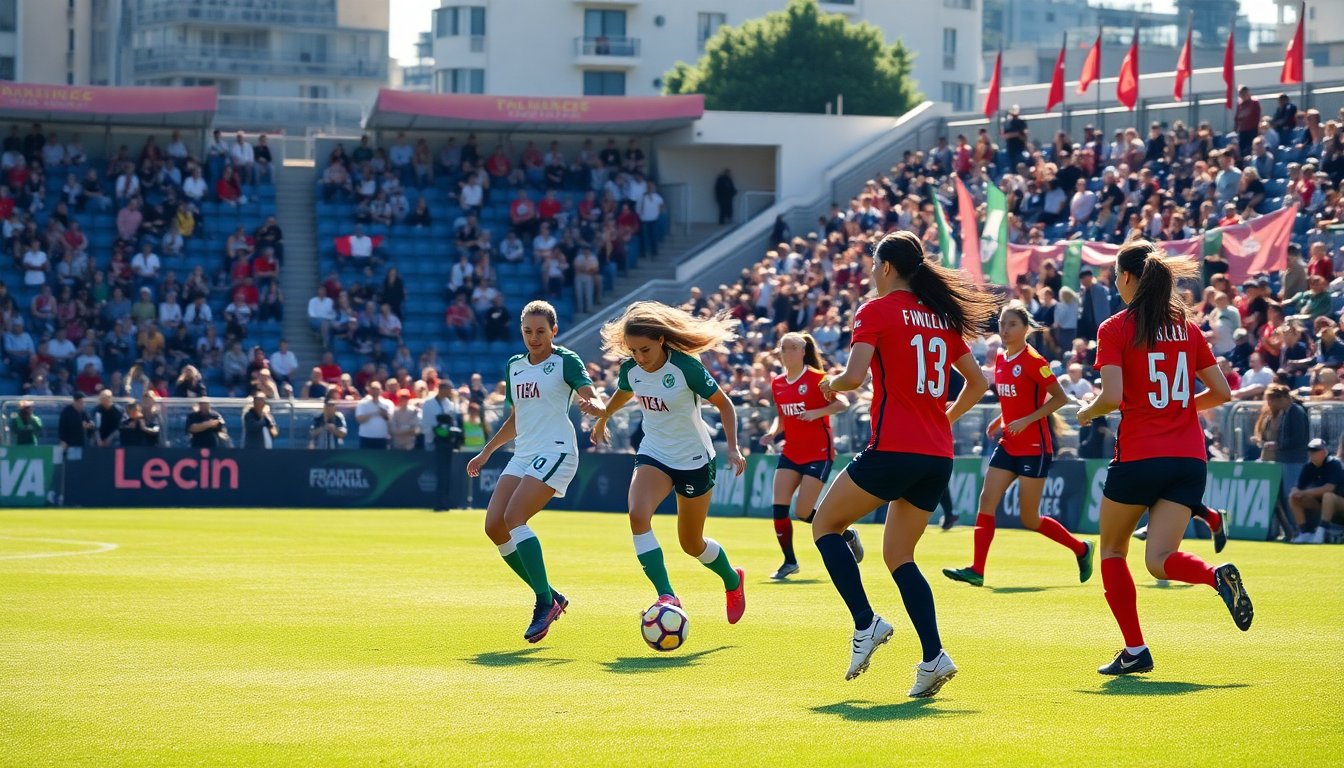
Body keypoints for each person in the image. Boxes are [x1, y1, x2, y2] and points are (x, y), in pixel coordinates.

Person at [809, 230, 993, 696]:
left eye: (874, 266)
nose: (871, 275)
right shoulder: (940, 317)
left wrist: (829, 384)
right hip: (936, 455)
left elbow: (853, 377)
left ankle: (866, 623)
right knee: (900, 557)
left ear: (887, 268)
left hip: (894, 447)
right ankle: (933, 657)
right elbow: (978, 384)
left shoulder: (875, 311)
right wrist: (942, 419)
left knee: (825, 526)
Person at [1074, 241, 1250, 677]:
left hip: (1139, 455)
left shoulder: (1115, 328)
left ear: (1130, 278)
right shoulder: (1187, 328)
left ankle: (1135, 649)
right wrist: (1179, 409)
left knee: (1113, 550)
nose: (1115, 283)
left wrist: (1086, 411)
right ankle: (1214, 575)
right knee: (1160, 558)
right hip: (1189, 457)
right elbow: (1223, 393)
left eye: (1116, 276)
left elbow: (1112, 397)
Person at [591, 301, 748, 627]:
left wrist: (733, 448)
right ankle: (667, 595)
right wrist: (603, 417)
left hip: (694, 460)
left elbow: (725, 405)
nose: (639, 357)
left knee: (692, 544)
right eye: (633, 350)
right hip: (654, 453)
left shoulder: (685, 368)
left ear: (662, 340)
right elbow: (624, 392)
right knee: (637, 514)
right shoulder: (632, 369)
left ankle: (732, 580)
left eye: (645, 349)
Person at [466, 301, 606, 643]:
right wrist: (486, 451)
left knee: (515, 518)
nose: (534, 337)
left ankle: (544, 603)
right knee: (494, 527)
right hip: (524, 453)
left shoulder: (565, 361)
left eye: (541, 331)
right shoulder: (514, 366)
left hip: (557, 450)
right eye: (527, 331)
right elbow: (516, 420)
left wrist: (597, 409)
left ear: (553, 331)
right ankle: (551, 596)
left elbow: (595, 400)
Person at [944, 302, 1094, 588]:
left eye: (1011, 324)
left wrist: (1027, 420)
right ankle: (977, 569)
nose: (1005, 329)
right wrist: (999, 420)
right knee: (987, 500)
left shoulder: (1035, 361)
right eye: (1002, 324)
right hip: (1009, 444)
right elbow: (1013, 399)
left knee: (1030, 518)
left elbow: (1060, 399)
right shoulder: (1001, 358)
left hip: (1034, 448)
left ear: (1025, 328)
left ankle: (1081, 549)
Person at [760, 332, 861, 580]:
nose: (785, 353)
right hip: (791, 451)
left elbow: (843, 404)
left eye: (790, 348)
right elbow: (782, 416)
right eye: (782, 348)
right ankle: (789, 561)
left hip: (819, 452)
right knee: (779, 507)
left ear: (802, 351)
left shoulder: (818, 379)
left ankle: (846, 533)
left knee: (804, 512)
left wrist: (818, 412)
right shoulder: (778, 383)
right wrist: (772, 433)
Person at [1289, 438, 1343, 544]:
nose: (1312, 454)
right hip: (1324, 505)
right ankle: (1304, 533)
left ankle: (1321, 532)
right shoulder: (1309, 466)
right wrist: (1295, 491)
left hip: (1340, 503)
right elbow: (1298, 486)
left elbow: (1330, 488)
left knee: (1328, 496)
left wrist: (1304, 492)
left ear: (1324, 452)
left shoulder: (1334, 464)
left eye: (1315, 451)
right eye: (1310, 451)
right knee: (1294, 498)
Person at [422, 379, 463, 510]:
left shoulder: (449, 404)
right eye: (448, 389)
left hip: (448, 443)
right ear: (442, 389)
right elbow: (427, 424)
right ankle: (438, 501)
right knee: (439, 473)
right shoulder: (429, 404)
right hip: (436, 442)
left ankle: (445, 500)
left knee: (447, 473)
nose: (450, 392)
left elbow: (453, 423)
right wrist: (433, 436)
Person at [355, 381, 392, 449]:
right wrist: (374, 413)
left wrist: (383, 414)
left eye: (377, 389)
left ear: (381, 390)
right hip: (366, 437)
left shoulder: (388, 403)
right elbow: (359, 419)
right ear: (369, 390)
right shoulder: (362, 403)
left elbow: (390, 420)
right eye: (373, 389)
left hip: (382, 437)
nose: (375, 391)